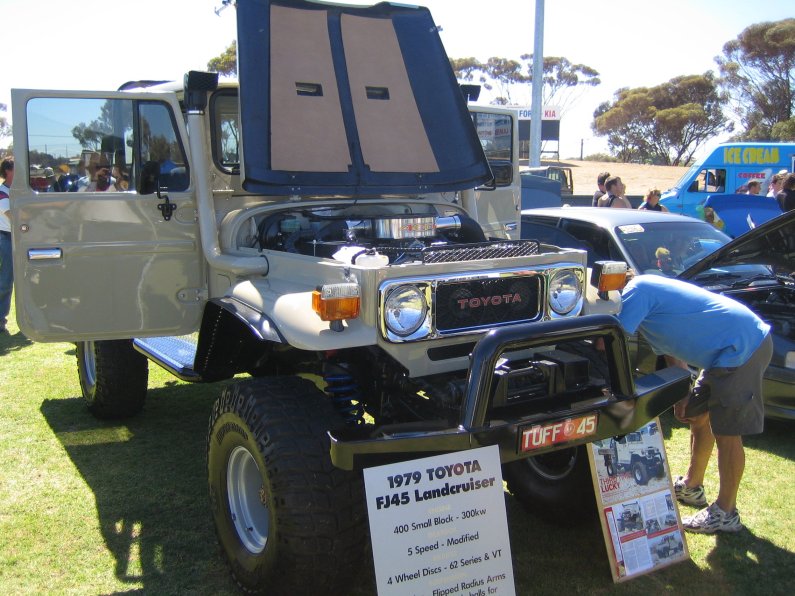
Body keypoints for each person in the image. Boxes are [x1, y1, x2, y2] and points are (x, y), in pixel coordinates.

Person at [617, 274, 772, 534]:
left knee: (727, 433)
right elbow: (672, 353)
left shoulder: (636, 289)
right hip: (723, 354)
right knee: (697, 415)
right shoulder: (650, 308)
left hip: (743, 346)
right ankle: (692, 487)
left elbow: (608, 339)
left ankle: (726, 512)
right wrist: (682, 395)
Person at [0, 156, 14, 334]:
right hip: (7, 238)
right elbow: (13, 215)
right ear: (8, 171)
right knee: (6, 279)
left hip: (21, 238)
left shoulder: (18, 191)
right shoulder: (2, 193)